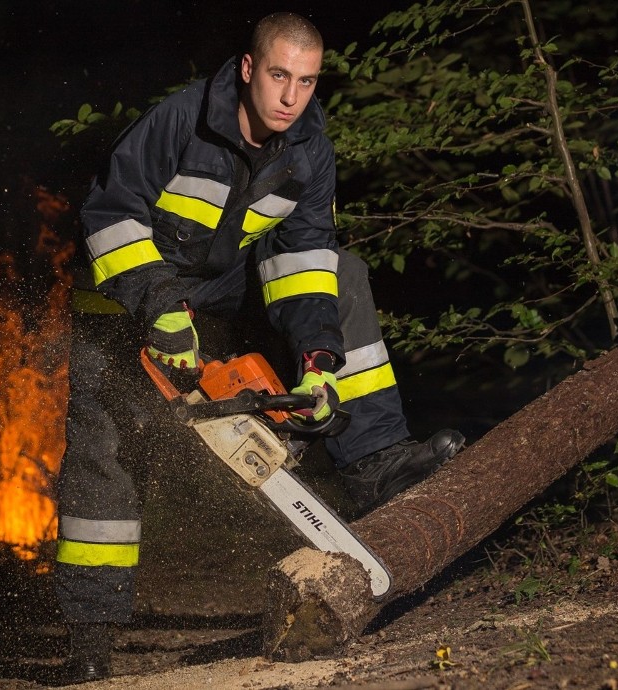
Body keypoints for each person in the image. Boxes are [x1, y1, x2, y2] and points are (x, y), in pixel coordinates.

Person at [51, 12, 464, 685]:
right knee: (104, 459)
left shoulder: (307, 148)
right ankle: (90, 637)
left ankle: (374, 461)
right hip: (118, 306)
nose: (290, 97)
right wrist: (158, 308)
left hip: (212, 306)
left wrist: (319, 364)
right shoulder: (179, 125)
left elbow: (302, 260)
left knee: (345, 274)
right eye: (278, 76)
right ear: (248, 69)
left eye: (305, 81)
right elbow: (108, 216)